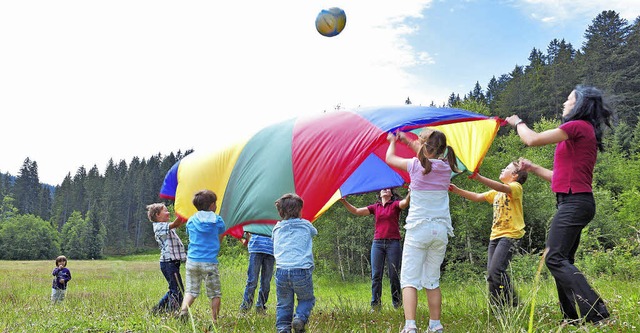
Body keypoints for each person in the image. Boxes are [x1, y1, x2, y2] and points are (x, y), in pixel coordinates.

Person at [505, 85, 612, 326]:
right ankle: (572, 318)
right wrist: (532, 168)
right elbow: (559, 177)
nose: (564, 103)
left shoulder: (576, 126)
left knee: (554, 258)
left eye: (568, 99)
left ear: (580, 104)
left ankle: (597, 313)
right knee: (562, 260)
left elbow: (531, 140)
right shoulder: (581, 132)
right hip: (574, 200)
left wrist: (518, 122)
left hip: (575, 202)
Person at [386, 129, 460, 333]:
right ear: (443, 149)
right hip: (441, 231)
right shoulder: (447, 168)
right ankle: (435, 325)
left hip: (419, 230)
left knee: (409, 279)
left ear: (423, 145)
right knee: (432, 279)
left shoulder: (414, 165)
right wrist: (409, 141)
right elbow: (426, 152)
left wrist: (393, 141)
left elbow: (390, 158)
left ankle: (410, 326)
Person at [448, 161, 528, 308]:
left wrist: (479, 177)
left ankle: (514, 304)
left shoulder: (516, 187)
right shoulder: (496, 193)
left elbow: (503, 187)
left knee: (496, 271)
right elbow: (477, 197)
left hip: (511, 235)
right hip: (495, 237)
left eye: (507, 168)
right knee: (492, 275)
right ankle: (497, 308)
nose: (503, 168)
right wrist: (456, 190)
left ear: (514, 175)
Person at [339, 188, 410, 310]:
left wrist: (411, 192)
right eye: (383, 189)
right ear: (379, 194)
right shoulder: (375, 207)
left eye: (388, 189)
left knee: (393, 275)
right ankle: (375, 306)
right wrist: (343, 201)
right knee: (376, 275)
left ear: (391, 193)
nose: (385, 190)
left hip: (393, 243)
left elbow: (404, 203)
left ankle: (397, 305)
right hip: (377, 244)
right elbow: (356, 211)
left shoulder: (395, 205)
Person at [178, 189, 227, 324]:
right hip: (209, 263)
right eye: (215, 203)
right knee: (215, 293)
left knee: (191, 291)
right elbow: (220, 236)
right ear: (211, 205)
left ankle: (183, 311)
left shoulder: (192, 220)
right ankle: (214, 321)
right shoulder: (218, 220)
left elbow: (191, 236)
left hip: (192, 261)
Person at [273, 193, 318, 333]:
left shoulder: (277, 228)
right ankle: (299, 318)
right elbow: (314, 232)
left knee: (284, 304)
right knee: (306, 299)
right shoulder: (306, 225)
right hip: (301, 270)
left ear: (281, 212)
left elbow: (273, 239)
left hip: (281, 271)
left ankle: (282, 328)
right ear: (299, 210)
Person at [146, 202, 187, 314]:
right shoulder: (159, 227)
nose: (168, 212)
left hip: (172, 263)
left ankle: (157, 310)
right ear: (158, 215)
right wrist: (183, 211)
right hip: (168, 263)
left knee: (174, 289)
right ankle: (170, 312)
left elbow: (178, 223)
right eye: (165, 210)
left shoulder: (165, 225)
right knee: (178, 291)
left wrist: (187, 215)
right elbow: (175, 224)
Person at [240, 231, 275, 314]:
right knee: (252, 281)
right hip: (256, 248)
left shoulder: (276, 218)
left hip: (271, 250)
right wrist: (246, 238)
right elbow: (245, 228)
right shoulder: (255, 218)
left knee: (266, 283)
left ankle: (260, 307)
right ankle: (245, 308)